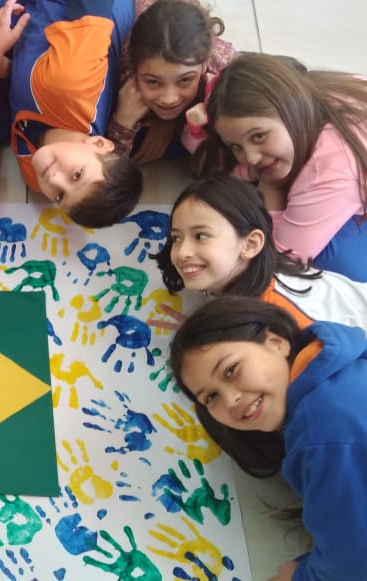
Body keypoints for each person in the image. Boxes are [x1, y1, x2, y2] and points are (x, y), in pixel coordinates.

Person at [170, 296, 367, 580]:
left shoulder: (324, 430)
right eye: (211, 397)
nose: (231, 399)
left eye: (231, 370)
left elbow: (354, 563)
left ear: (276, 342)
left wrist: (298, 576)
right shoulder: (334, 366)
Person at [198, 52, 367, 281]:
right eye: (235, 146)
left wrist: (272, 188)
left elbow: (283, 258)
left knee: (332, 260)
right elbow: (220, 166)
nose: (251, 157)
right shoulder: (305, 90)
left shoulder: (327, 169)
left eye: (258, 136)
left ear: (292, 112)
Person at [0, 0, 144, 228]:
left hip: (38, 41)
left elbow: (18, 82)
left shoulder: (34, 176)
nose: (54, 180)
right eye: (77, 175)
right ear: (99, 143)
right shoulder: (71, 82)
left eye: (60, 196)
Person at [155, 175, 367, 329]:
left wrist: (211, 339)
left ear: (250, 244)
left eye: (201, 236)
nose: (182, 252)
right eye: (176, 238)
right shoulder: (250, 280)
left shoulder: (278, 317)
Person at [107, 0, 235, 164]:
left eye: (185, 80)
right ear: (135, 69)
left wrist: (170, 122)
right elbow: (109, 167)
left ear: (205, 64)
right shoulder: (123, 76)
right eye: (153, 82)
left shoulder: (222, 65)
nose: (169, 99)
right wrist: (122, 123)